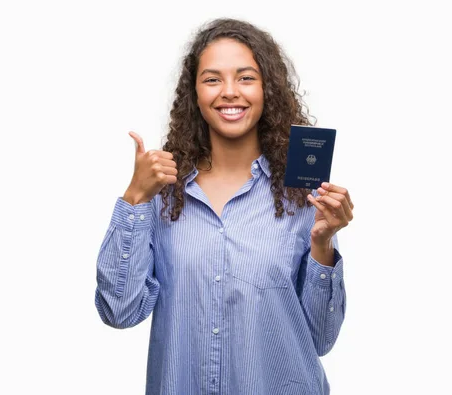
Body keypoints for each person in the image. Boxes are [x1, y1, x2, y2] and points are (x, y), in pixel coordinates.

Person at [95, 17, 354, 395]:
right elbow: (119, 312)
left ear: (268, 90)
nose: (229, 92)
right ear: (194, 93)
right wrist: (134, 198)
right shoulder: (161, 195)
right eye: (212, 79)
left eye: (246, 77)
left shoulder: (303, 197)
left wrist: (322, 245)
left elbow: (320, 340)